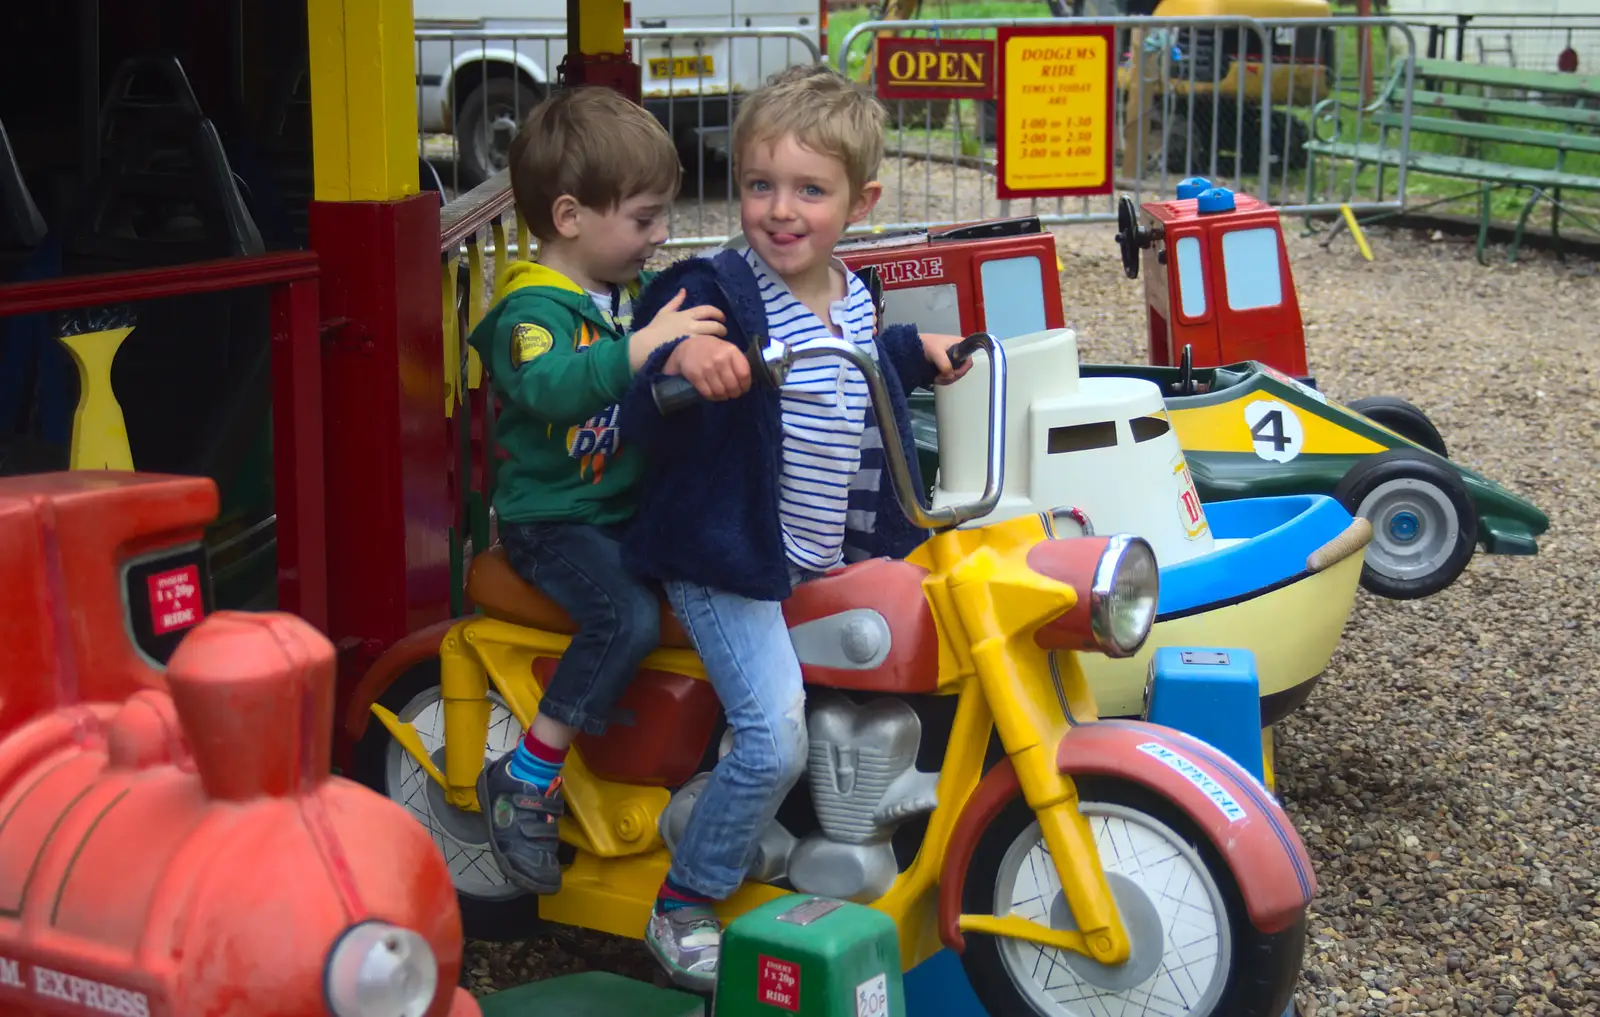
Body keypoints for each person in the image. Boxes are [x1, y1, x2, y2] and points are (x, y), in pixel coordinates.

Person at [614, 63, 968, 990]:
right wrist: (686, 354)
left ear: (861, 201)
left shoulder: (853, 291)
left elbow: (857, 360)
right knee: (774, 732)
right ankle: (684, 900)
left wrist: (917, 352)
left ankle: (843, 835)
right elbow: (652, 364)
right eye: (760, 185)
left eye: (810, 190)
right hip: (724, 558)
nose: (780, 210)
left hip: (818, 553)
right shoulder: (717, 288)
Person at [466, 85, 730, 896]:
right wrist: (644, 348)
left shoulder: (609, 296)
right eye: (645, 220)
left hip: (612, 508)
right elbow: (551, 388)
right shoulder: (531, 309)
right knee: (625, 615)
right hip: (554, 519)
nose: (659, 236)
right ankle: (529, 774)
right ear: (572, 216)